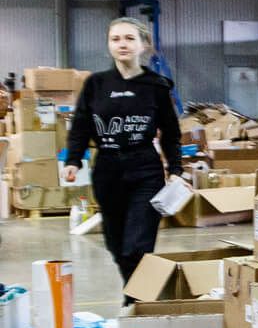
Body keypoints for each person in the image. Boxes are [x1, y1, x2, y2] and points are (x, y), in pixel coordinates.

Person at [62, 16, 184, 283]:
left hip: (144, 170)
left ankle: (135, 299)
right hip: (107, 170)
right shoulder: (96, 84)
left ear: (143, 45)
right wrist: (73, 160)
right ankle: (138, 295)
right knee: (117, 247)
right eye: (115, 39)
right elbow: (81, 125)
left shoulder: (157, 86)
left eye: (129, 38)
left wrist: (176, 168)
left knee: (136, 246)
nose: (122, 44)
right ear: (109, 45)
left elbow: (171, 133)